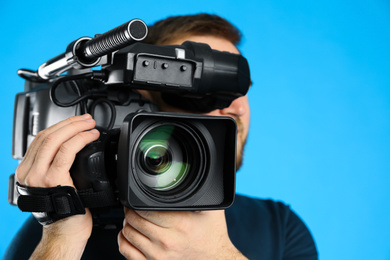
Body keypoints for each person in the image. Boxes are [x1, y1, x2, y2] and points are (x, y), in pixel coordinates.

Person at [4, 14, 318, 260]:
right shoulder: (59, 228)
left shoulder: (279, 227)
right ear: (141, 101)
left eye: (241, 91)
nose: (234, 106)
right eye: (203, 94)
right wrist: (61, 239)